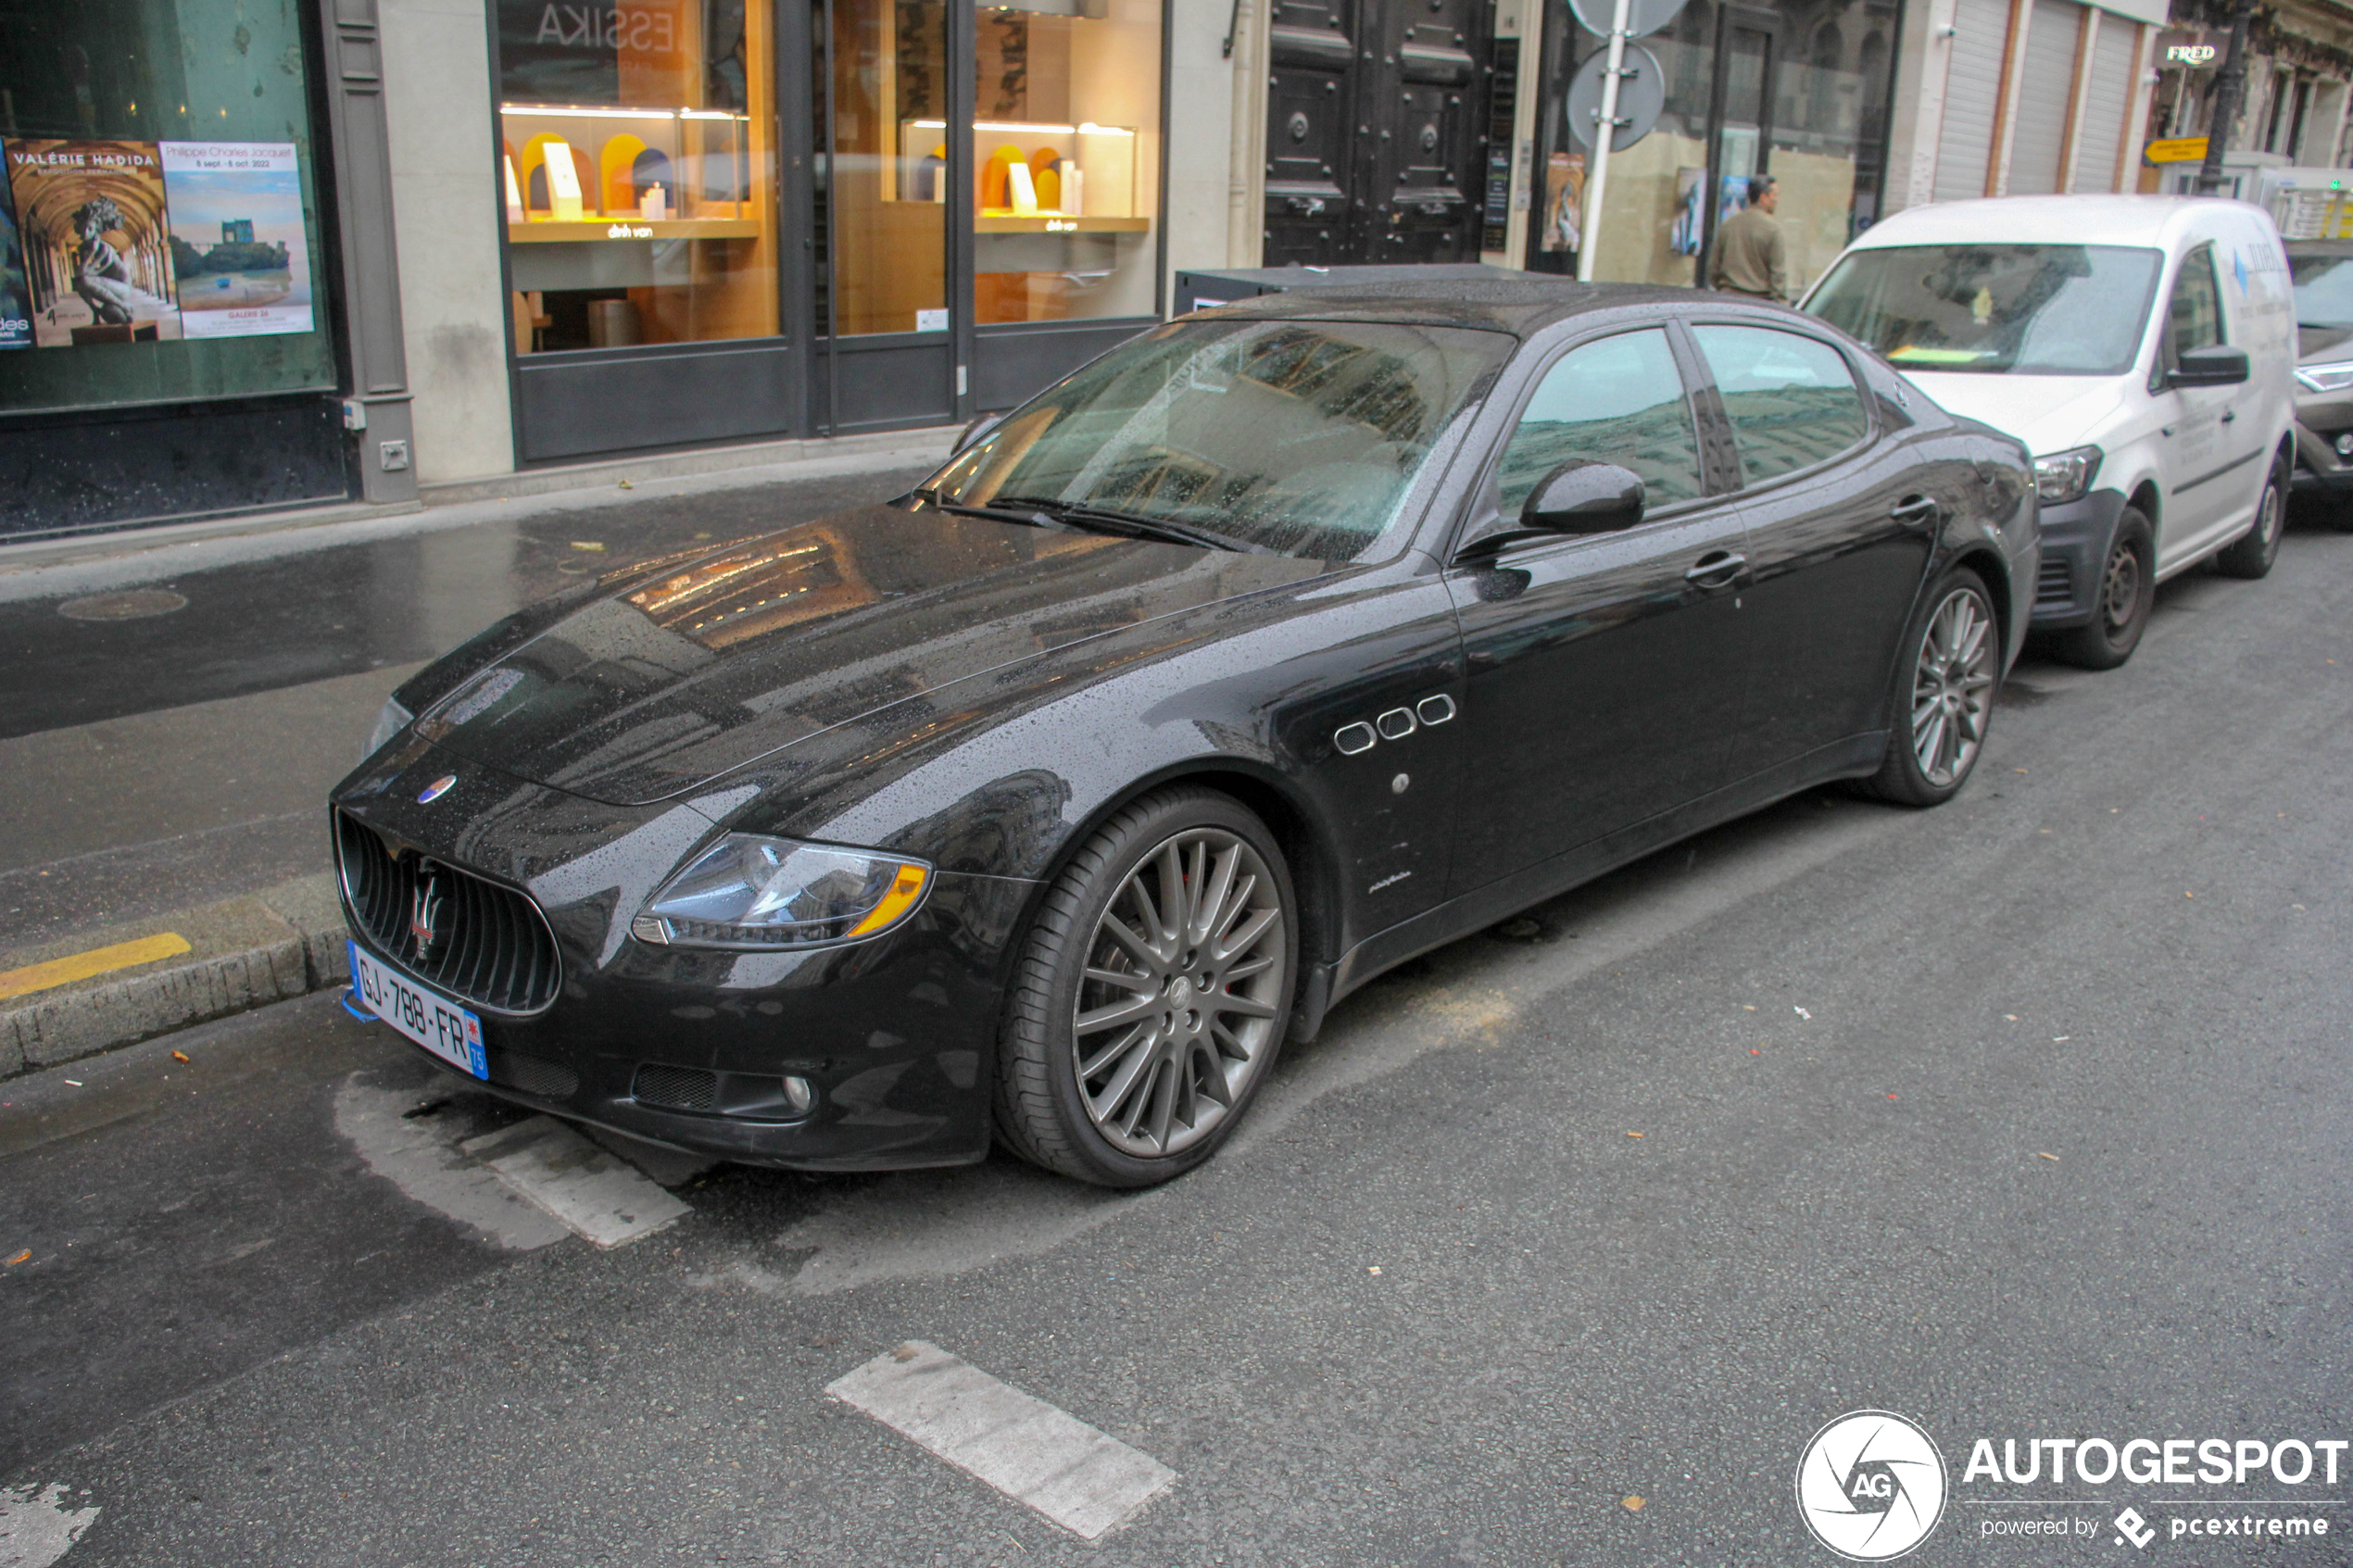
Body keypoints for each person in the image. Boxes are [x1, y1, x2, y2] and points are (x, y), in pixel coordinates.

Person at [1708, 175, 1791, 303]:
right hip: (1759, 304)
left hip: (1726, 300)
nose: (1777, 199)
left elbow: (1713, 269)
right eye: (1775, 195)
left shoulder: (1728, 225)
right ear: (1763, 197)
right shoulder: (1773, 229)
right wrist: (1782, 307)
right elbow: (1778, 276)